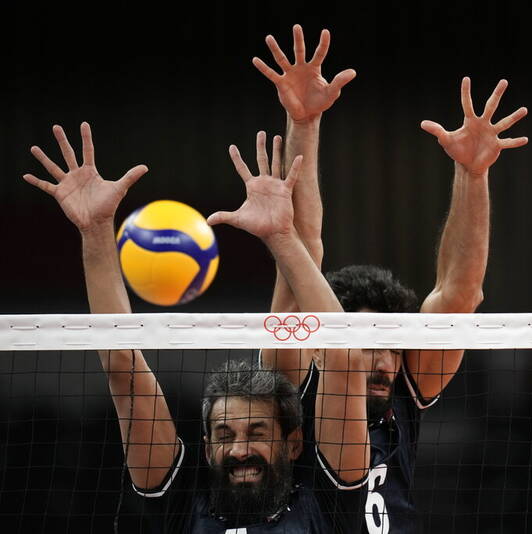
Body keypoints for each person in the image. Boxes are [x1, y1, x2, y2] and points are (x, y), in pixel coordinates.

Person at [23, 123, 370, 533]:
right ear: (206, 449)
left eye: (257, 431)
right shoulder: (181, 506)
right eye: (224, 435)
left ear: (293, 444)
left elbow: (344, 357)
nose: (239, 450)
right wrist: (95, 230)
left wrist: (282, 237)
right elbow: (122, 368)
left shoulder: (326, 504)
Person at [254, 25, 528, 532]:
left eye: (389, 347)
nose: (380, 360)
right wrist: (304, 123)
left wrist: (474, 175)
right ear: (320, 347)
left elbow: (459, 294)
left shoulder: (402, 389)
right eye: (365, 343)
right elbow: (302, 247)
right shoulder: (295, 377)